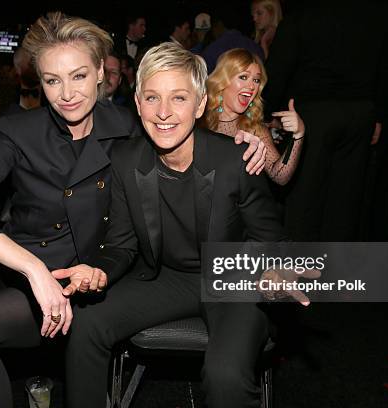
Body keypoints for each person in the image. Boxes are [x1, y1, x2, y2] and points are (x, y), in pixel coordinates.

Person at [0, 13, 264, 408]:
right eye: (52, 80)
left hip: (88, 278)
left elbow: (180, 125)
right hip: (27, 268)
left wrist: (243, 138)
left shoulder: (131, 127)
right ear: (37, 82)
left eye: (78, 76)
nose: (66, 94)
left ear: (101, 72)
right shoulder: (17, 130)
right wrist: (33, 269)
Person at [64, 42, 287, 408]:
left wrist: (277, 271)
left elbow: (270, 239)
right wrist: (98, 270)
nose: (164, 112)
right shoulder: (125, 160)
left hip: (233, 280)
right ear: (137, 104)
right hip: (166, 278)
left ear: (199, 105)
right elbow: (120, 244)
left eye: (179, 98)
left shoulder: (236, 160)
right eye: (152, 98)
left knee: (226, 374)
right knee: (86, 322)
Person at [263, 0, 388, 241]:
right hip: (359, 113)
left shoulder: (305, 13)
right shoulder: (375, 13)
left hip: (315, 113)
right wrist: (379, 114)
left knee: (305, 195)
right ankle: (336, 268)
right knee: (345, 199)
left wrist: (263, 111)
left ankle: (301, 267)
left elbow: (279, 67)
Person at [203, 48, 304, 185]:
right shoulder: (199, 119)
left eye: (256, 80)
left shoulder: (255, 129)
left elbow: (280, 176)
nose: (251, 86)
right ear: (223, 80)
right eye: (243, 77)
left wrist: (298, 135)